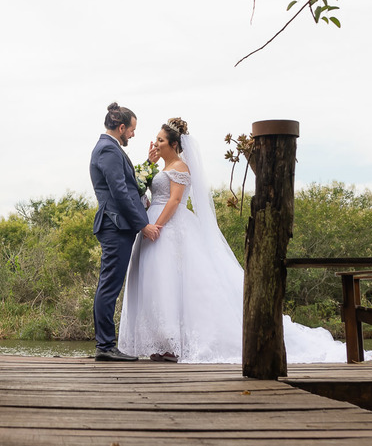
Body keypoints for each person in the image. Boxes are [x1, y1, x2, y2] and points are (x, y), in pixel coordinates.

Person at [117, 117, 347, 363]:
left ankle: (174, 344)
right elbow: (145, 189)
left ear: (174, 144)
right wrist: (147, 173)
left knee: (172, 282)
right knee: (156, 282)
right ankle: (161, 341)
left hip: (169, 227)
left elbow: (174, 200)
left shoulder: (180, 167)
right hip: (152, 224)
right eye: (157, 139)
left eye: (161, 140)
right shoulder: (160, 167)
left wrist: (157, 226)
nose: (156, 143)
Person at [89, 102, 156, 361]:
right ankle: (105, 346)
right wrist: (143, 224)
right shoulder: (108, 149)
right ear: (120, 127)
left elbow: (128, 184)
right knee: (109, 286)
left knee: (109, 284)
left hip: (117, 225)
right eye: (131, 129)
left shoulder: (110, 148)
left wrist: (148, 164)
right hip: (115, 226)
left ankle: (105, 345)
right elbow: (119, 192)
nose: (133, 134)